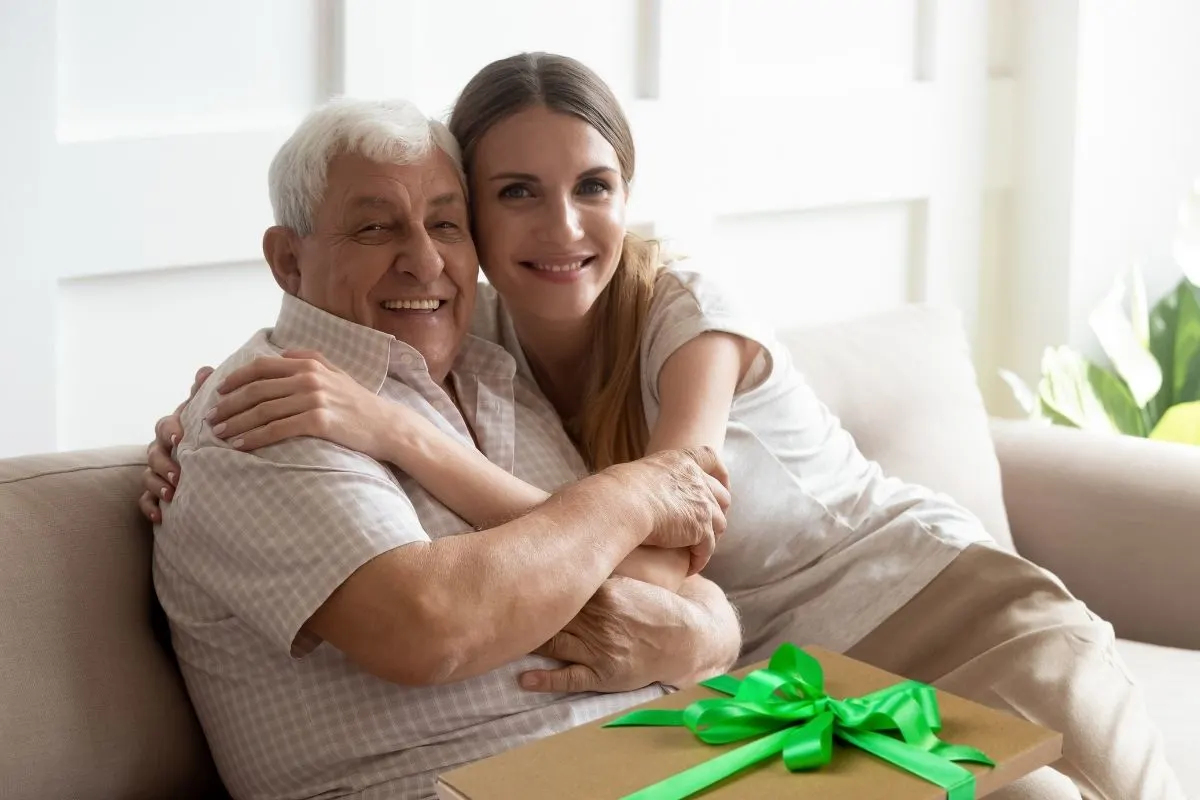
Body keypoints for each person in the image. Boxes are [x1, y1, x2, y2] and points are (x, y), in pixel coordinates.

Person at [144, 54, 1185, 800]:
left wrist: (421, 441)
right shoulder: (325, 390)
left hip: (925, 610)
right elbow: (449, 616)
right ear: (288, 261)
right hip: (686, 717)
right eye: (513, 195)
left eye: (592, 187)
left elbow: (684, 558)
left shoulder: (657, 309)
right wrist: (198, 417)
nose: (425, 256)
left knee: (1051, 788)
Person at [149, 94, 742, 800]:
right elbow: (431, 626)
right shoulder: (263, 416)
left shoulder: (498, 368)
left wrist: (706, 633)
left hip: (663, 758)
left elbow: (666, 577)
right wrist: (628, 495)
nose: (425, 260)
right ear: (288, 259)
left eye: (446, 224)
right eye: (375, 228)